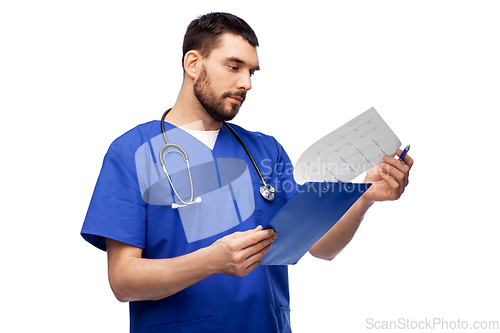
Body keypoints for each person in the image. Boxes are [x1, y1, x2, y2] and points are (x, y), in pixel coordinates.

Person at [81, 12, 413, 333]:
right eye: (234, 66)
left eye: (252, 72)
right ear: (193, 63)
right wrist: (212, 261)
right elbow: (123, 281)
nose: (246, 83)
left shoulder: (265, 151)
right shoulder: (132, 152)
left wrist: (364, 197)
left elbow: (321, 247)